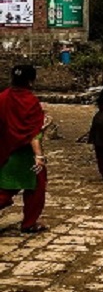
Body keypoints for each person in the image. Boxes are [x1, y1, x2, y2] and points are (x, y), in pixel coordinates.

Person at [0, 64, 48, 233]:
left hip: (5, 150)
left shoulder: (2, 97)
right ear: (30, 81)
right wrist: (39, 157)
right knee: (35, 186)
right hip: (26, 154)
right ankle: (29, 222)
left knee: (5, 188)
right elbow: (33, 133)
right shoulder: (31, 101)